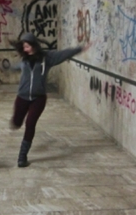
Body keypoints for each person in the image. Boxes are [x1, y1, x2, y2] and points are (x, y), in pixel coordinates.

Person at [9, 32, 86, 167]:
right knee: (16, 123)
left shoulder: (47, 58)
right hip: (22, 96)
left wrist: (79, 49)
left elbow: (63, 54)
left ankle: (22, 156)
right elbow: (17, 67)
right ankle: (16, 122)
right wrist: (9, 68)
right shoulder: (24, 59)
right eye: (24, 47)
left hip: (38, 98)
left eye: (27, 46)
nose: (25, 49)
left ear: (33, 45)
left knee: (30, 124)